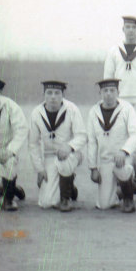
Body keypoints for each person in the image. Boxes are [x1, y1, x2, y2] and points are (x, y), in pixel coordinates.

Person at [28, 81, 86, 211]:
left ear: (63, 94)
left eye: (57, 93)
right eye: (49, 93)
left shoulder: (72, 109)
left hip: (71, 154)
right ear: (43, 94)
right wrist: (40, 169)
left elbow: (82, 136)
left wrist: (69, 147)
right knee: (47, 203)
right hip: (50, 156)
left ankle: (65, 199)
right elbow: (33, 143)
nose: (53, 96)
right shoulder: (36, 113)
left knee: (65, 162)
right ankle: (69, 187)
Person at [85, 79, 136, 211]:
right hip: (106, 160)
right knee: (104, 205)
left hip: (124, 157)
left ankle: (128, 198)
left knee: (123, 168)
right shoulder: (93, 112)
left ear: (118, 92)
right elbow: (92, 141)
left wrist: (124, 151)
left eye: (112, 91)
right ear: (100, 93)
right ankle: (130, 187)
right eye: (105, 91)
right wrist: (93, 168)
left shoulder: (127, 108)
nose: (108, 94)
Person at [0, 78, 27, 211]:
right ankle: (9, 188)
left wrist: (11, 150)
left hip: (4, 150)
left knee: (9, 163)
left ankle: (9, 198)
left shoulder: (10, 106)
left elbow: (22, 129)